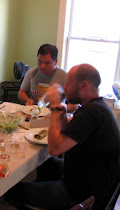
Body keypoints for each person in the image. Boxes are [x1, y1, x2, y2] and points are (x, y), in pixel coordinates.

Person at [6, 64, 120, 209]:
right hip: (87, 176)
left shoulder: (91, 113)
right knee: (43, 164)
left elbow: (55, 148)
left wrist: (54, 107)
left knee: (11, 190)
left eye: (68, 83)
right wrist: (61, 110)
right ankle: (42, 195)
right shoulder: (95, 106)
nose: (64, 87)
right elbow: (68, 131)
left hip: (81, 193)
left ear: (83, 85)